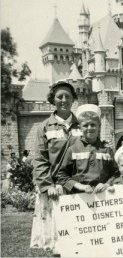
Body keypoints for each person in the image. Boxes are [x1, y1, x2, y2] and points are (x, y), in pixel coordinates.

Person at [30, 81, 79, 253]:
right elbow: (39, 158)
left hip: (77, 187)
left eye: (68, 96)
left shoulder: (82, 125)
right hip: (54, 189)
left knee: (79, 238)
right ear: (53, 100)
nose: (64, 100)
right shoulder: (44, 127)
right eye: (60, 97)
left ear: (74, 99)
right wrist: (48, 185)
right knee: (57, 241)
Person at [57, 104, 119, 194]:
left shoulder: (107, 150)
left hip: (103, 197)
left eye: (93, 124)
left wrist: (106, 184)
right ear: (80, 128)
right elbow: (62, 175)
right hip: (79, 197)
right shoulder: (73, 150)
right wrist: (80, 186)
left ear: (99, 126)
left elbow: (116, 173)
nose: (89, 128)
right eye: (85, 125)